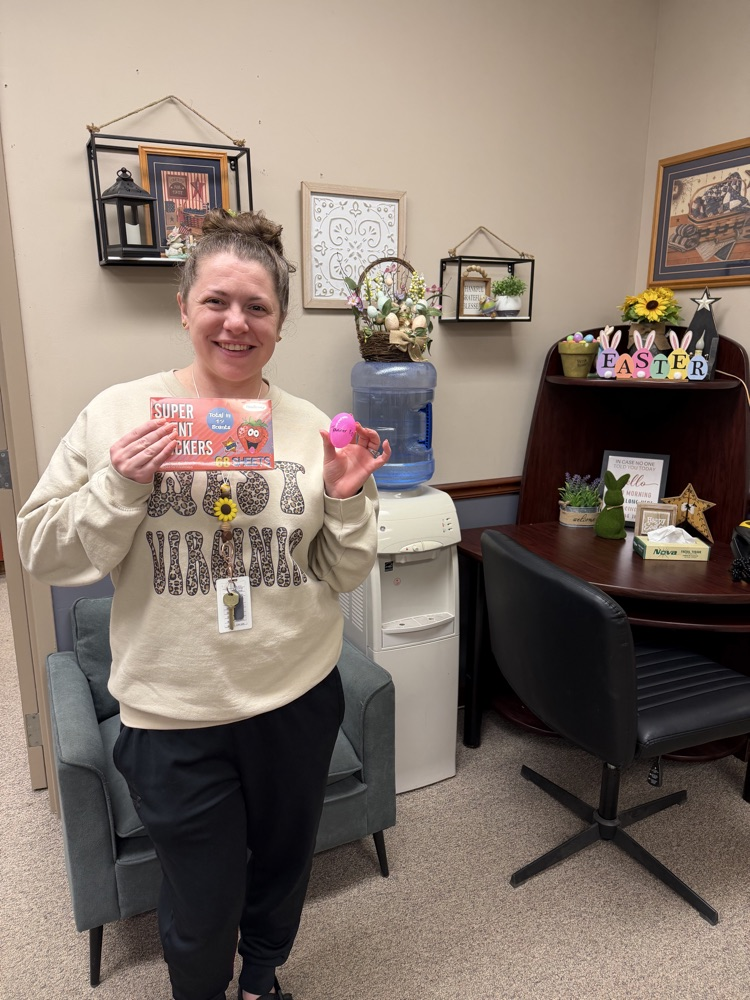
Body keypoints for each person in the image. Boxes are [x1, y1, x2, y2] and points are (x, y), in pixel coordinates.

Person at [17, 209, 391, 1000]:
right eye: (217, 301)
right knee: (200, 895)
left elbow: (340, 571)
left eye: (258, 307)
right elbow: (44, 553)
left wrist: (348, 500)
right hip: (172, 710)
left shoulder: (315, 429)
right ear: (184, 308)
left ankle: (261, 981)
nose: (236, 322)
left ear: (281, 325)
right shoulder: (119, 414)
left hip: (295, 695)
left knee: (287, 864)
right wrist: (121, 483)